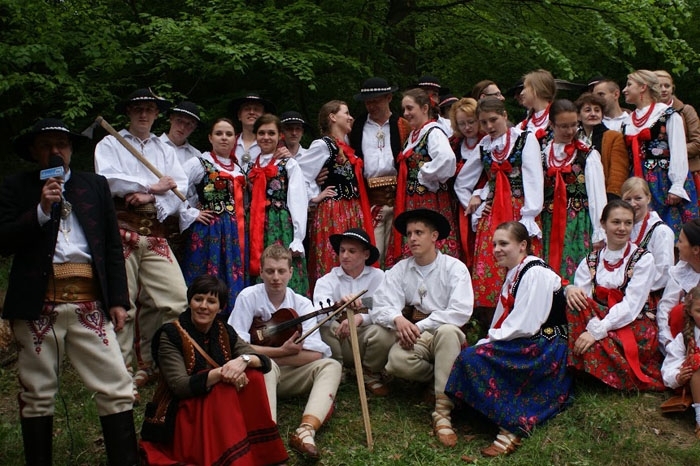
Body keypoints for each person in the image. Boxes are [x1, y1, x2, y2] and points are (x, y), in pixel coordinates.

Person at [1, 118, 137, 465]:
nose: (54, 151)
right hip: (37, 304)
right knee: (37, 393)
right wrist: (42, 210)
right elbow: (3, 241)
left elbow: (111, 246)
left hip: (90, 304)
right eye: (46, 145)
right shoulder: (17, 187)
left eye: (61, 144)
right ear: (34, 152)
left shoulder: (94, 185)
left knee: (117, 386)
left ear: (71, 149)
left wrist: (118, 300)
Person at [94, 88, 193, 400]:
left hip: (155, 233)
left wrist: (151, 196)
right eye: (137, 108)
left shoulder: (165, 150)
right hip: (121, 231)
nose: (143, 114)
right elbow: (107, 180)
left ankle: (164, 365)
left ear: (156, 114)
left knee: (177, 300)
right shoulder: (110, 144)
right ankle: (123, 377)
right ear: (128, 112)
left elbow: (179, 187)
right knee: (124, 305)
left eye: (149, 109)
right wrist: (150, 185)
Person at [445, 221, 571, 457]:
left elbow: (525, 323)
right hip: (528, 340)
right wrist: (489, 339)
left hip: (544, 347)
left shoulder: (535, 272)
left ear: (522, 245)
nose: (496, 249)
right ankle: (460, 412)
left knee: (472, 357)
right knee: (472, 356)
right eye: (494, 244)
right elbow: (508, 321)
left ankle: (511, 425)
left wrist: (488, 341)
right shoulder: (517, 273)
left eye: (503, 244)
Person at [140, 275, 288, 466]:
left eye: (211, 301)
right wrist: (222, 373)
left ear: (220, 308)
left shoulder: (223, 330)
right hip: (182, 412)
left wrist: (242, 360)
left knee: (254, 375)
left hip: (217, 407)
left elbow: (263, 361)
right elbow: (180, 386)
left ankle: (260, 452)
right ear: (190, 302)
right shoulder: (170, 335)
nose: (204, 306)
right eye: (198, 299)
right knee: (223, 388)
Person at [371, 209, 473, 448]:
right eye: (409, 234)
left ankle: (442, 413)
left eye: (419, 232)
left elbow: (460, 311)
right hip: (416, 333)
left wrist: (419, 326)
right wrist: (397, 318)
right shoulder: (401, 269)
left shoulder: (454, 268)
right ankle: (440, 379)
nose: (412, 238)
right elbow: (380, 305)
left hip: (443, 335)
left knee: (448, 331)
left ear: (434, 236)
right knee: (396, 362)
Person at [229, 244, 342, 460]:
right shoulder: (248, 297)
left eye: (281, 271)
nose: (275, 277)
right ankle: (268, 434)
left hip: (290, 374)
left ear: (290, 272)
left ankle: (306, 431)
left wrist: (264, 354)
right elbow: (236, 345)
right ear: (261, 272)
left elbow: (316, 353)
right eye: (270, 271)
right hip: (259, 375)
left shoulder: (302, 304)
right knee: (268, 367)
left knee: (331, 365)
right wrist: (280, 352)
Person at [566, 199, 665, 391]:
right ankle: (594, 367)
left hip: (632, 322)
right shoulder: (590, 261)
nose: (622, 228)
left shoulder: (643, 259)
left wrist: (596, 332)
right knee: (574, 302)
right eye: (616, 222)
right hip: (598, 319)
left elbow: (631, 306)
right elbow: (584, 303)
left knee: (595, 339)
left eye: (628, 223)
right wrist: (570, 289)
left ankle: (593, 368)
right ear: (603, 224)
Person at [471, 97, 543, 315]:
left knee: (520, 260)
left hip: (519, 210)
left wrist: (529, 214)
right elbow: (463, 180)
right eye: (484, 122)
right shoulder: (484, 145)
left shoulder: (525, 139)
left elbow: (534, 178)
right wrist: (477, 197)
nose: (489, 126)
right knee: (492, 262)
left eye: (493, 120)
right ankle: (491, 318)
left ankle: (523, 314)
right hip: (493, 212)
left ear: (504, 115)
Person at [298, 100, 374, 289]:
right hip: (333, 211)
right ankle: (330, 297)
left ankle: (355, 296)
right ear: (332, 117)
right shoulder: (323, 145)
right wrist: (314, 196)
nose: (350, 117)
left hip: (351, 209)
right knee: (333, 255)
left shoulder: (346, 146)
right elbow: (299, 173)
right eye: (346, 113)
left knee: (354, 255)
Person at [313, 228, 394, 395]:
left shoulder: (379, 277)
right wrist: (337, 307)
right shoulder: (327, 281)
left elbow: (385, 307)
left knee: (385, 333)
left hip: (365, 337)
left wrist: (360, 318)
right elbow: (319, 314)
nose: (344, 255)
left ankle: (369, 373)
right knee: (322, 326)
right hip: (339, 339)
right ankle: (336, 369)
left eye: (351, 251)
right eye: (342, 250)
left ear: (366, 254)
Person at [385, 88, 459, 268]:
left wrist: (423, 175)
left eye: (410, 108)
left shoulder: (434, 132)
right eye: (404, 109)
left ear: (425, 108)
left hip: (429, 200)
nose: (406, 113)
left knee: (428, 240)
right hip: (414, 201)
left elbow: (447, 160)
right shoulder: (414, 134)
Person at [621, 69, 699, 239]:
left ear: (643, 87)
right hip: (638, 181)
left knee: (674, 232)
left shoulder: (668, 115)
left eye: (629, 85)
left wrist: (677, 185)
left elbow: (678, 151)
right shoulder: (628, 120)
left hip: (664, 180)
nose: (624, 90)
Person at [181, 118, 246, 315]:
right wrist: (192, 213)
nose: (224, 138)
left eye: (228, 134)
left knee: (230, 274)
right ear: (210, 138)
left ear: (235, 139)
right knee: (205, 276)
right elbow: (177, 189)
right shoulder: (199, 163)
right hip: (209, 230)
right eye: (219, 133)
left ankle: (228, 322)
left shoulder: (239, 168)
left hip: (234, 232)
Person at [541, 99, 606, 282]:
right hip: (549, 222)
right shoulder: (542, 155)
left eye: (573, 125)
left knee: (577, 272)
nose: (570, 131)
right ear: (551, 125)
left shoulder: (588, 155)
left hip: (578, 223)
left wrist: (599, 231)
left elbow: (597, 196)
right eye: (563, 126)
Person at [348, 77, 411, 264]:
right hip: (370, 200)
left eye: (376, 101)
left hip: (400, 198)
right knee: (373, 253)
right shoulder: (357, 127)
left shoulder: (402, 125)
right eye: (368, 102)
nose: (371, 106)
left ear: (389, 98)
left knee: (399, 255)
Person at [247, 114, 309, 296]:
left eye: (271, 133)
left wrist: (298, 238)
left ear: (279, 135)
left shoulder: (289, 164)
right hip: (254, 225)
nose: (266, 137)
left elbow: (298, 200)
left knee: (280, 265)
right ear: (255, 136)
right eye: (261, 133)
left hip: (279, 224)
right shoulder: (250, 166)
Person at [620, 177, 675, 320]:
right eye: (627, 199)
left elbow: (664, 273)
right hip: (622, 292)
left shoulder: (661, 232)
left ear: (648, 198)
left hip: (650, 298)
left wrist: (634, 289)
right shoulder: (622, 229)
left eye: (638, 198)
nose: (633, 203)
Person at [660, 286, 700, 439]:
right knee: (696, 360)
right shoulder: (685, 338)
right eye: (699, 311)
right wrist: (678, 377)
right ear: (690, 311)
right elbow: (669, 366)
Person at [450, 97, 486, 268]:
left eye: (471, 122)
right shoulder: (454, 144)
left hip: (483, 203)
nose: (467, 127)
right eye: (462, 124)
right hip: (459, 205)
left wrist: (480, 194)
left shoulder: (487, 142)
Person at [657, 219, 700, 354]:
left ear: (695, 249)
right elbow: (665, 307)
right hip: (686, 339)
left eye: (680, 241)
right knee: (678, 312)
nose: (677, 245)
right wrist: (667, 341)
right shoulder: (681, 270)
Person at [654, 70, 700, 197]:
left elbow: (697, 143)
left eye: (667, 86)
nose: (664, 89)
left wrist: (669, 152)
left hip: (688, 172)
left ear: (672, 88)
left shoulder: (685, 110)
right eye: (659, 86)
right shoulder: (645, 114)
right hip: (656, 173)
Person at [575, 92, 629, 199]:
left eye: (597, 110)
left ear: (602, 115)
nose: (593, 114)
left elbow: (618, 173)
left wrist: (612, 198)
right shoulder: (573, 138)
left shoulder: (614, 137)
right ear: (578, 116)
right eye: (587, 110)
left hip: (603, 196)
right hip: (579, 197)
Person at [230, 92, 276, 174]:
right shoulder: (229, 142)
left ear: (264, 116)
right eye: (247, 109)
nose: (251, 112)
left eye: (256, 109)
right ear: (239, 115)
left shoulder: (275, 145)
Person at [519, 69, 557, 147]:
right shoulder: (527, 120)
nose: (521, 93)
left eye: (525, 88)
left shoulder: (557, 117)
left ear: (536, 89)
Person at [160, 101, 202, 167]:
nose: (182, 127)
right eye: (179, 120)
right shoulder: (153, 145)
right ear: (171, 119)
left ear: (194, 128)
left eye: (189, 124)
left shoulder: (196, 156)